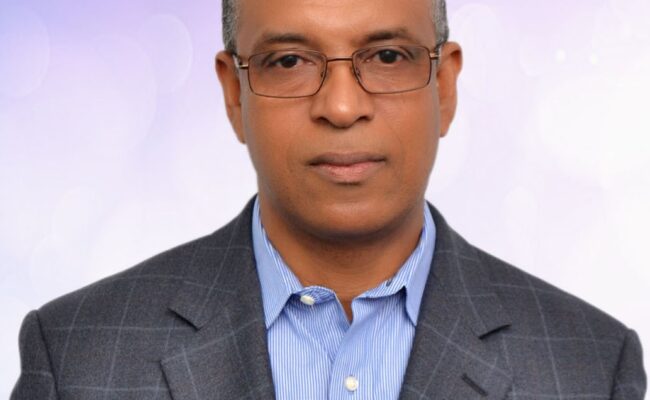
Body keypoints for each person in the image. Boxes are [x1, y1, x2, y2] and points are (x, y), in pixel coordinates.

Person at [11, 0, 646, 398]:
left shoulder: (591, 367)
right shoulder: (76, 356)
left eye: (388, 55)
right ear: (234, 94)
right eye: (289, 61)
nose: (341, 107)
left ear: (445, 86)